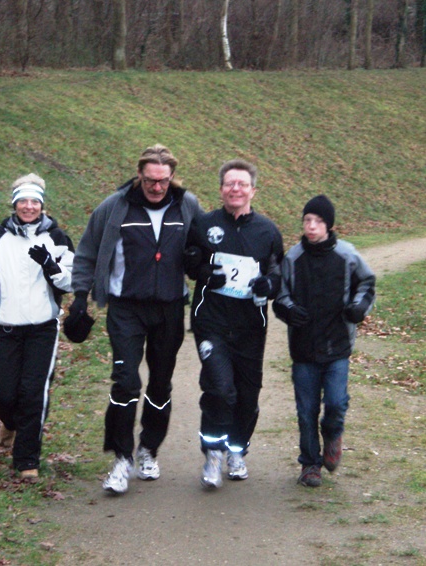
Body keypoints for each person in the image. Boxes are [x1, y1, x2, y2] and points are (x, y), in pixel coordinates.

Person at [69, 144, 201, 494]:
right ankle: (121, 458)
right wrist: (80, 298)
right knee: (126, 381)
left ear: (172, 176)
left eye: (163, 181)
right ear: (139, 175)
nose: (156, 188)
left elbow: (206, 249)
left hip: (170, 308)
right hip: (126, 307)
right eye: (149, 180)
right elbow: (86, 253)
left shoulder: (186, 206)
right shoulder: (114, 208)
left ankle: (148, 450)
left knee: (160, 383)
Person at [0, 173, 74, 479]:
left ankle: (27, 460)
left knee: (33, 392)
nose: (28, 207)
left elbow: (72, 279)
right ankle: (10, 425)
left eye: (34, 201)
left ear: (42, 204)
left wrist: (50, 265)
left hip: (42, 328)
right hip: (7, 328)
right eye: (23, 201)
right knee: (3, 393)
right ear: (14, 204)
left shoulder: (57, 237)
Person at [186, 159, 283, 488]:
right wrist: (203, 274)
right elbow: (190, 261)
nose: (235, 189)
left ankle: (236, 450)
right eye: (230, 184)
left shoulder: (267, 231)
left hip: (250, 328)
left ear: (253, 190)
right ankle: (212, 453)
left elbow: (277, 271)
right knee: (220, 388)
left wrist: (269, 285)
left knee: (247, 395)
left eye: (242, 184)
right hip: (211, 323)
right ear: (221, 189)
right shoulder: (204, 224)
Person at [273, 195, 376, 487]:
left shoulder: (347, 255)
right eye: (307, 221)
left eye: (317, 221)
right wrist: (290, 310)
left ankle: (332, 434)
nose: (311, 226)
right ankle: (309, 465)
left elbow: (366, 284)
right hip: (304, 348)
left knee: (335, 402)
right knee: (306, 411)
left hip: (337, 346)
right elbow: (281, 296)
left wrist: (358, 309)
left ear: (329, 226)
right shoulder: (292, 258)